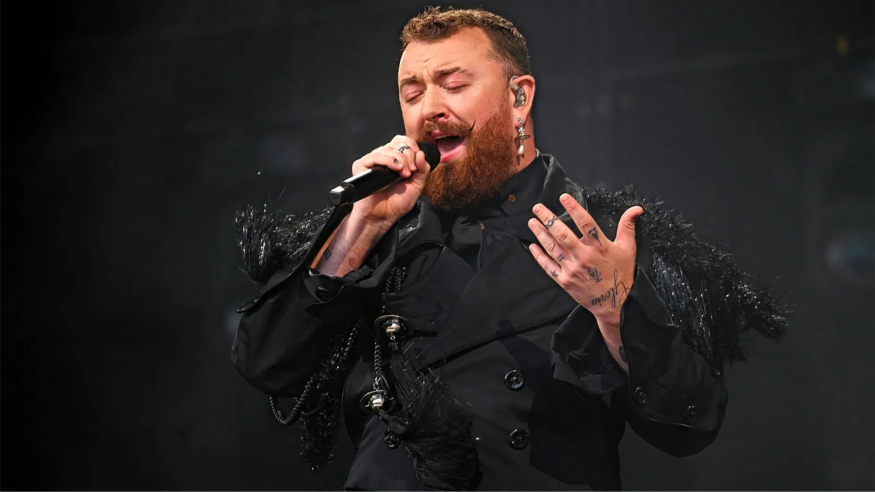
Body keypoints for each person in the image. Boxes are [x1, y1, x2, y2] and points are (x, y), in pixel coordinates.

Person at [231, 7, 786, 492]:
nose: (429, 109)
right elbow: (267, 363)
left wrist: (615, 312)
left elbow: (691, 423)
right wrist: (361, 226)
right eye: (412, 93)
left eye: (453, 84)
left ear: (519, 97)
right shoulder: (382, 235)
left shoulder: (601, 236)